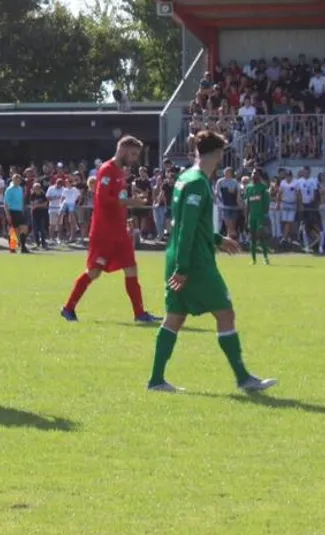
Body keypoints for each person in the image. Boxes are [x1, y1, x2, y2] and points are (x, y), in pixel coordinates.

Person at [147, 130, 276, 393]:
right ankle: (243, 379)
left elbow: (180, 222)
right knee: (225, 312)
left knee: (175, 317)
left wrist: (217, 239)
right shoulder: (197, 182)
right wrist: (184, 268)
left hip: (178, 255)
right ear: (217, 154)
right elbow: (186, 228)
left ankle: (156, 380)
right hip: (193, 261)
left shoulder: (185, 178)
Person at [60, 136, 162, 324]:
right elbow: (104, 200)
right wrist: (131, 202)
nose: (134, 159)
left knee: (131, 268)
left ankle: (140, 314)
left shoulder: (120, 172)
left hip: (119, 230)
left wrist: (131, 198)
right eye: (132, 154)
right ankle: (68, 308)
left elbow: (118, 197)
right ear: (122, 150)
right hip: (104, 232)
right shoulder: (107, 170)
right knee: (94, 272)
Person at [244, 168, 271, 265]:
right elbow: (248, 204)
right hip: (252, 217)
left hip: (260, 216)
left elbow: (266, 204)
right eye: (252, 173)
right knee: (253, 237)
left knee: (261, 236)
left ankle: (265, 257)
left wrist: (264, 217)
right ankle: (253, 259)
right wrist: (246, 218)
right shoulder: (249, 187)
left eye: (255, 173)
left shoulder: (263, 188)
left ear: (259, 175)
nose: (253, 174)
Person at [4, 173, 29, 254]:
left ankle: (23, 247)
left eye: (18, 179)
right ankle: (12, 247)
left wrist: (22, 210)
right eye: (15, 179)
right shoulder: (9, 189)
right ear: (13, 180)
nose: (17, 181)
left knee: (24, 228)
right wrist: (7, 214)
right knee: (13, 230)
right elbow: (6, 203)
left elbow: (21, 200)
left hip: (19, 211)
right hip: (12, 211)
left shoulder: (20, 188)